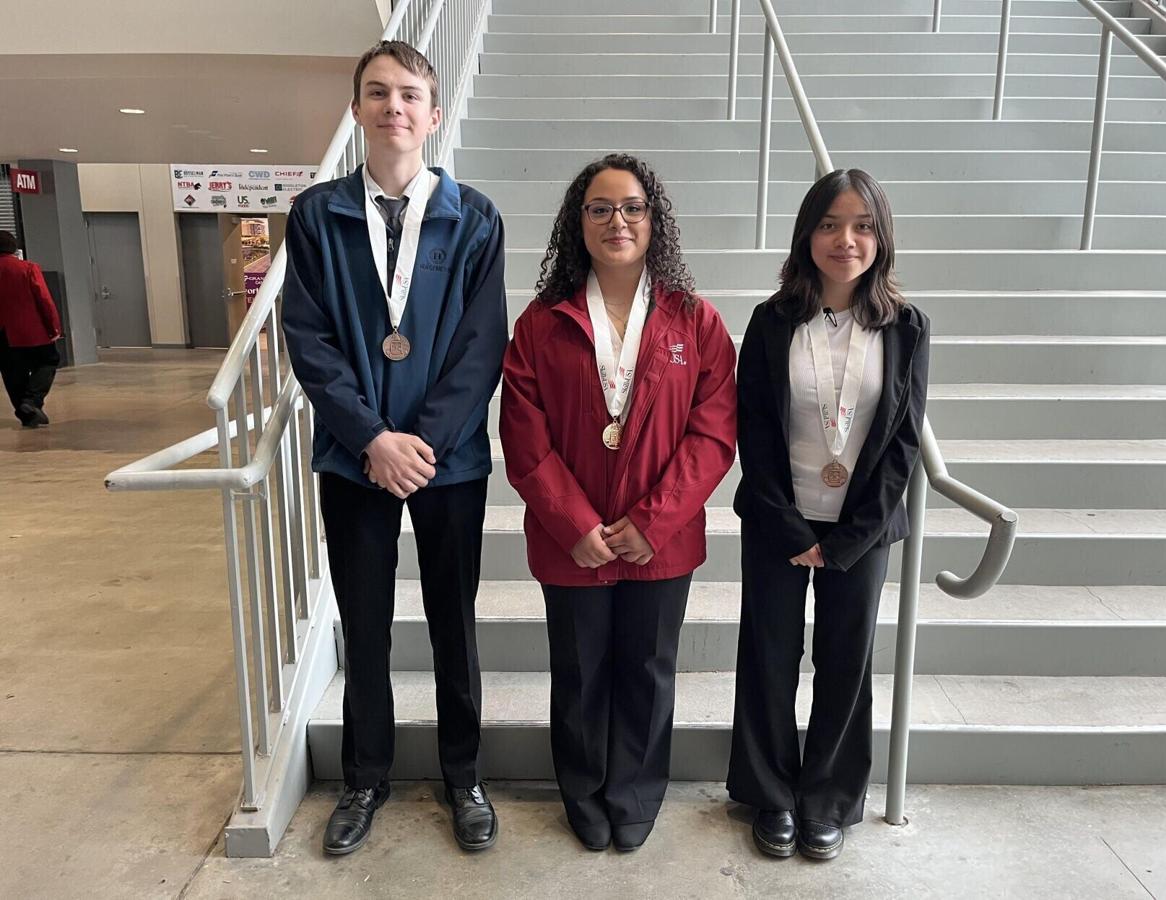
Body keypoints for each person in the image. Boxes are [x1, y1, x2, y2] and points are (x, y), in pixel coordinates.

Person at [281, 40, 506, 856]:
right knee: (366, 626)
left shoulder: (474, 217)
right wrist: (372, 437)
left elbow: (482, 348)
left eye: (410, 94)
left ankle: (464, 776)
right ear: (357, 110)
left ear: (434, 113)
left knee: (456, 623)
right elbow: (307, 340)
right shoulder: (315, 215)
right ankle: (365, 777)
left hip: (450, 466)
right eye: (377, 93)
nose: (394, 107)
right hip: (354, 460)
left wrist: (421, 446)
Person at [500, 154, 737, 852]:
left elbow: (714, 431)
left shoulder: (695, 321)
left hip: (659, 541)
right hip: (569, 540)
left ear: (654, 219)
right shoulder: (542, 323)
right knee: (578, 672)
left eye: (632, 207)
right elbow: (523, 433)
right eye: (599, 208)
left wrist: (654, 521)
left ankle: (634, 793)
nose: (617, 221)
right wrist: (574, 523)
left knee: (646, 669)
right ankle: (583, 790)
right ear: (579, 223)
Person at [726, 169, 930, 861]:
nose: (846, 240)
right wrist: (788, 526)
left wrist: (848, 539)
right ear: (807, 233)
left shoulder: (906, 327)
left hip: (862, 529)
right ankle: (770, 794)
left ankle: (830, 799)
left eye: (863, 226)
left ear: (882, 237)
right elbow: (752, 428)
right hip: (779, 517)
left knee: (847, 660)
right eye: (830, 224)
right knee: (769, 654)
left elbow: (903, 444)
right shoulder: (771, 320)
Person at [0, 230, 62, 427]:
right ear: (14, 248)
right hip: (31, 332)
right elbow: (44, 300)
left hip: (2, 335)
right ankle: (32, 401)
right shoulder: (27, 268)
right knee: (48, 362)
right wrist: (54, 328)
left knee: (11, 372)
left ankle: (27, 414)